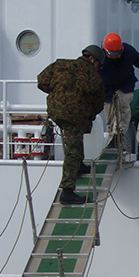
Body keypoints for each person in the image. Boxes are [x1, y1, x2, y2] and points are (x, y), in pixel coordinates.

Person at [37, 45, 106, 205]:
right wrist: (87, 111)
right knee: (73, 149)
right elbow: (98, 104)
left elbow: (41, 81)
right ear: (92, 59)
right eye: (98, 65)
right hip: (74, 115)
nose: (98, 68)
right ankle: (67, 192)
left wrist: (59, 93)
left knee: (74, 140)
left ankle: (79, 166)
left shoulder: (60, 64)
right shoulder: (94, 78)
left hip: (56, 110)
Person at [98, 32, 139, 142]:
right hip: (106, 87)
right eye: (113, 54)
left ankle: (118, 135)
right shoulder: (99, 58)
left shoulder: (129, 52)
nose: (116, 56)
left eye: (118, 53)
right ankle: (112, 138)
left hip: (125, 83)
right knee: (109, 113)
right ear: (105, 50)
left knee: (123, 106)